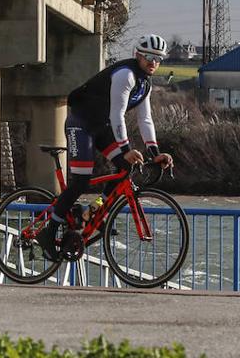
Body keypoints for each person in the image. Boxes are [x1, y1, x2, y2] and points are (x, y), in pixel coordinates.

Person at [35, 33, 175, 259]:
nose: (153, 62)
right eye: (148, 56)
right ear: (137, 55)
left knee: (124, 169)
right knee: (81, 180)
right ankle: (49, 231)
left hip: (101, 127)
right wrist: (127, 148)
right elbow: (117, 114)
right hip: (80, 124)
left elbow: (145, 119)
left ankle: (94, 212)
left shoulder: (144, 85)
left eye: (158, 58)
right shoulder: (126, 75)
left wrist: (155, 153)